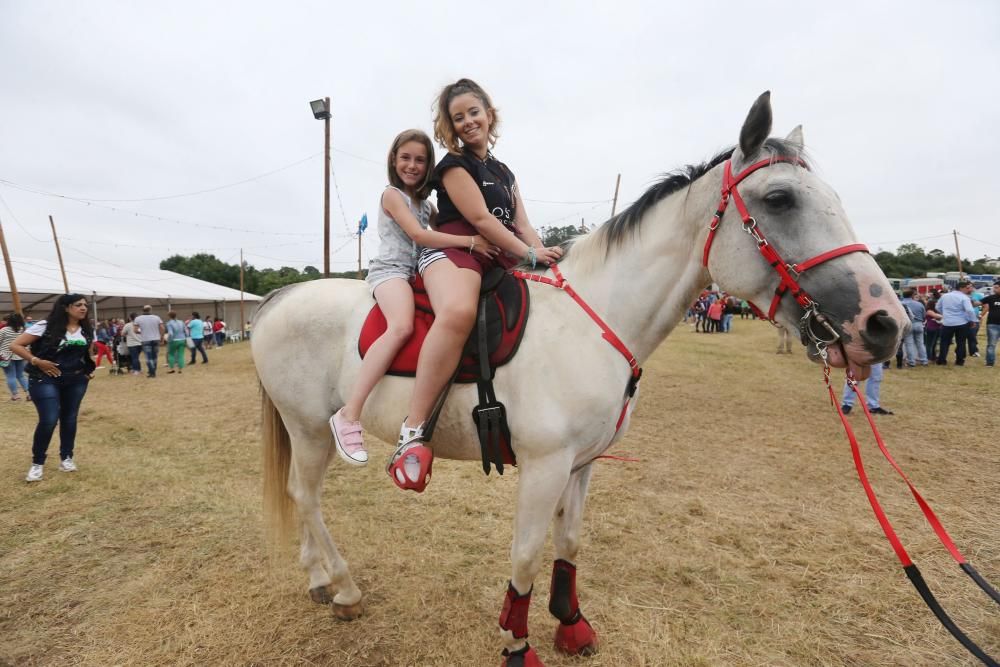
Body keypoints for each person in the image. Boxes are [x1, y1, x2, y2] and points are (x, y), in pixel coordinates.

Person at [384, 78, 563, 491]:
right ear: (449, 126)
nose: (468, 122)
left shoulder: (504, 172)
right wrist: (529, 254)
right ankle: (412, 431)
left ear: (489, 113)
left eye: (473, 113)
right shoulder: (453, 166)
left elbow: (522, 224)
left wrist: (544, 258)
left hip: (496, 253)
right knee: (459, 312)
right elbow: (482, 221)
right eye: (458, 117)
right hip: (457, 251)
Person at [329, 129, 496, 466]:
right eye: (405, 157)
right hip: (391, 271)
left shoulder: (427, 204)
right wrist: (471, 242)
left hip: (415, 272)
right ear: (394, 159)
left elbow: (444, 228)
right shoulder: (392, 195)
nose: (412, 165)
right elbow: (422, 235)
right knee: (402, 326)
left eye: (420, 160)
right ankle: (349, 413)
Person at [11, 294, 97, 482]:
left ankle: (66, 458)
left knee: (69, 418)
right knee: (49, 419)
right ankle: (37, 463)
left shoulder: (86, 328)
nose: (83, 308)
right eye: (78, 305)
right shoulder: (45, 326)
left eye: (85, 305)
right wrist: (36, 361)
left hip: (75, 380)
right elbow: (16, 345)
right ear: (66, 307)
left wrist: (89, 371)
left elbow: (88, 352)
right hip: (44, 379)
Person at [935, 280, 977, 366]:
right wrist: (973, 320)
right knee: (961, 342)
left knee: (944, 342)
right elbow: (969, 310)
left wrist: (945, 314)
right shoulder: (965, 298)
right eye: (967, 288)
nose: (969, 289)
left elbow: (937, 307)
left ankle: (941, 360)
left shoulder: (945, 296)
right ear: (961, 288)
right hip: (961, 323)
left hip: (947, 322)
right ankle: (959, 361)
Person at [1, 312, 30, 400]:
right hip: (20, 355)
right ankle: (29, 394)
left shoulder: (4, 330)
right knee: (21, 375)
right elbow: (27, 343)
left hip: (5, 356)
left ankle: (15, 395)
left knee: (10, 376)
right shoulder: (24, 330)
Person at [133, 305, 166, 378]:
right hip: (156, 339)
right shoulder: (156, 317)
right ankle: (153, 370)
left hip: (145, 339)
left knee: (149, 357)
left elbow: (135, 330)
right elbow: (162, 328)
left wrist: (141, 332)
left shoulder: (138, 318)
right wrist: (162, 337)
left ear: (142, 310)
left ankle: (152, 372)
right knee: (155, 356)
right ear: (150, 310)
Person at [899, 288, 928, 366]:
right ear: (912, 295)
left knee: (909, 344)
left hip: (907, 324)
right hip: (918, 324)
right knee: (920, 343)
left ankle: (911, 361)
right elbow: (924, 315)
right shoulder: (919, 304)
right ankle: (924, 360)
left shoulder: (900, 304)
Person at [980, 280, 1000, 367]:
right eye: (994, 288)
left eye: (996, 287)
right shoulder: (991, 298)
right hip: (992, 325)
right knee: (991, 344)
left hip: (993, 325)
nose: (994, 289)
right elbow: (977, 303)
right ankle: (990, 363)